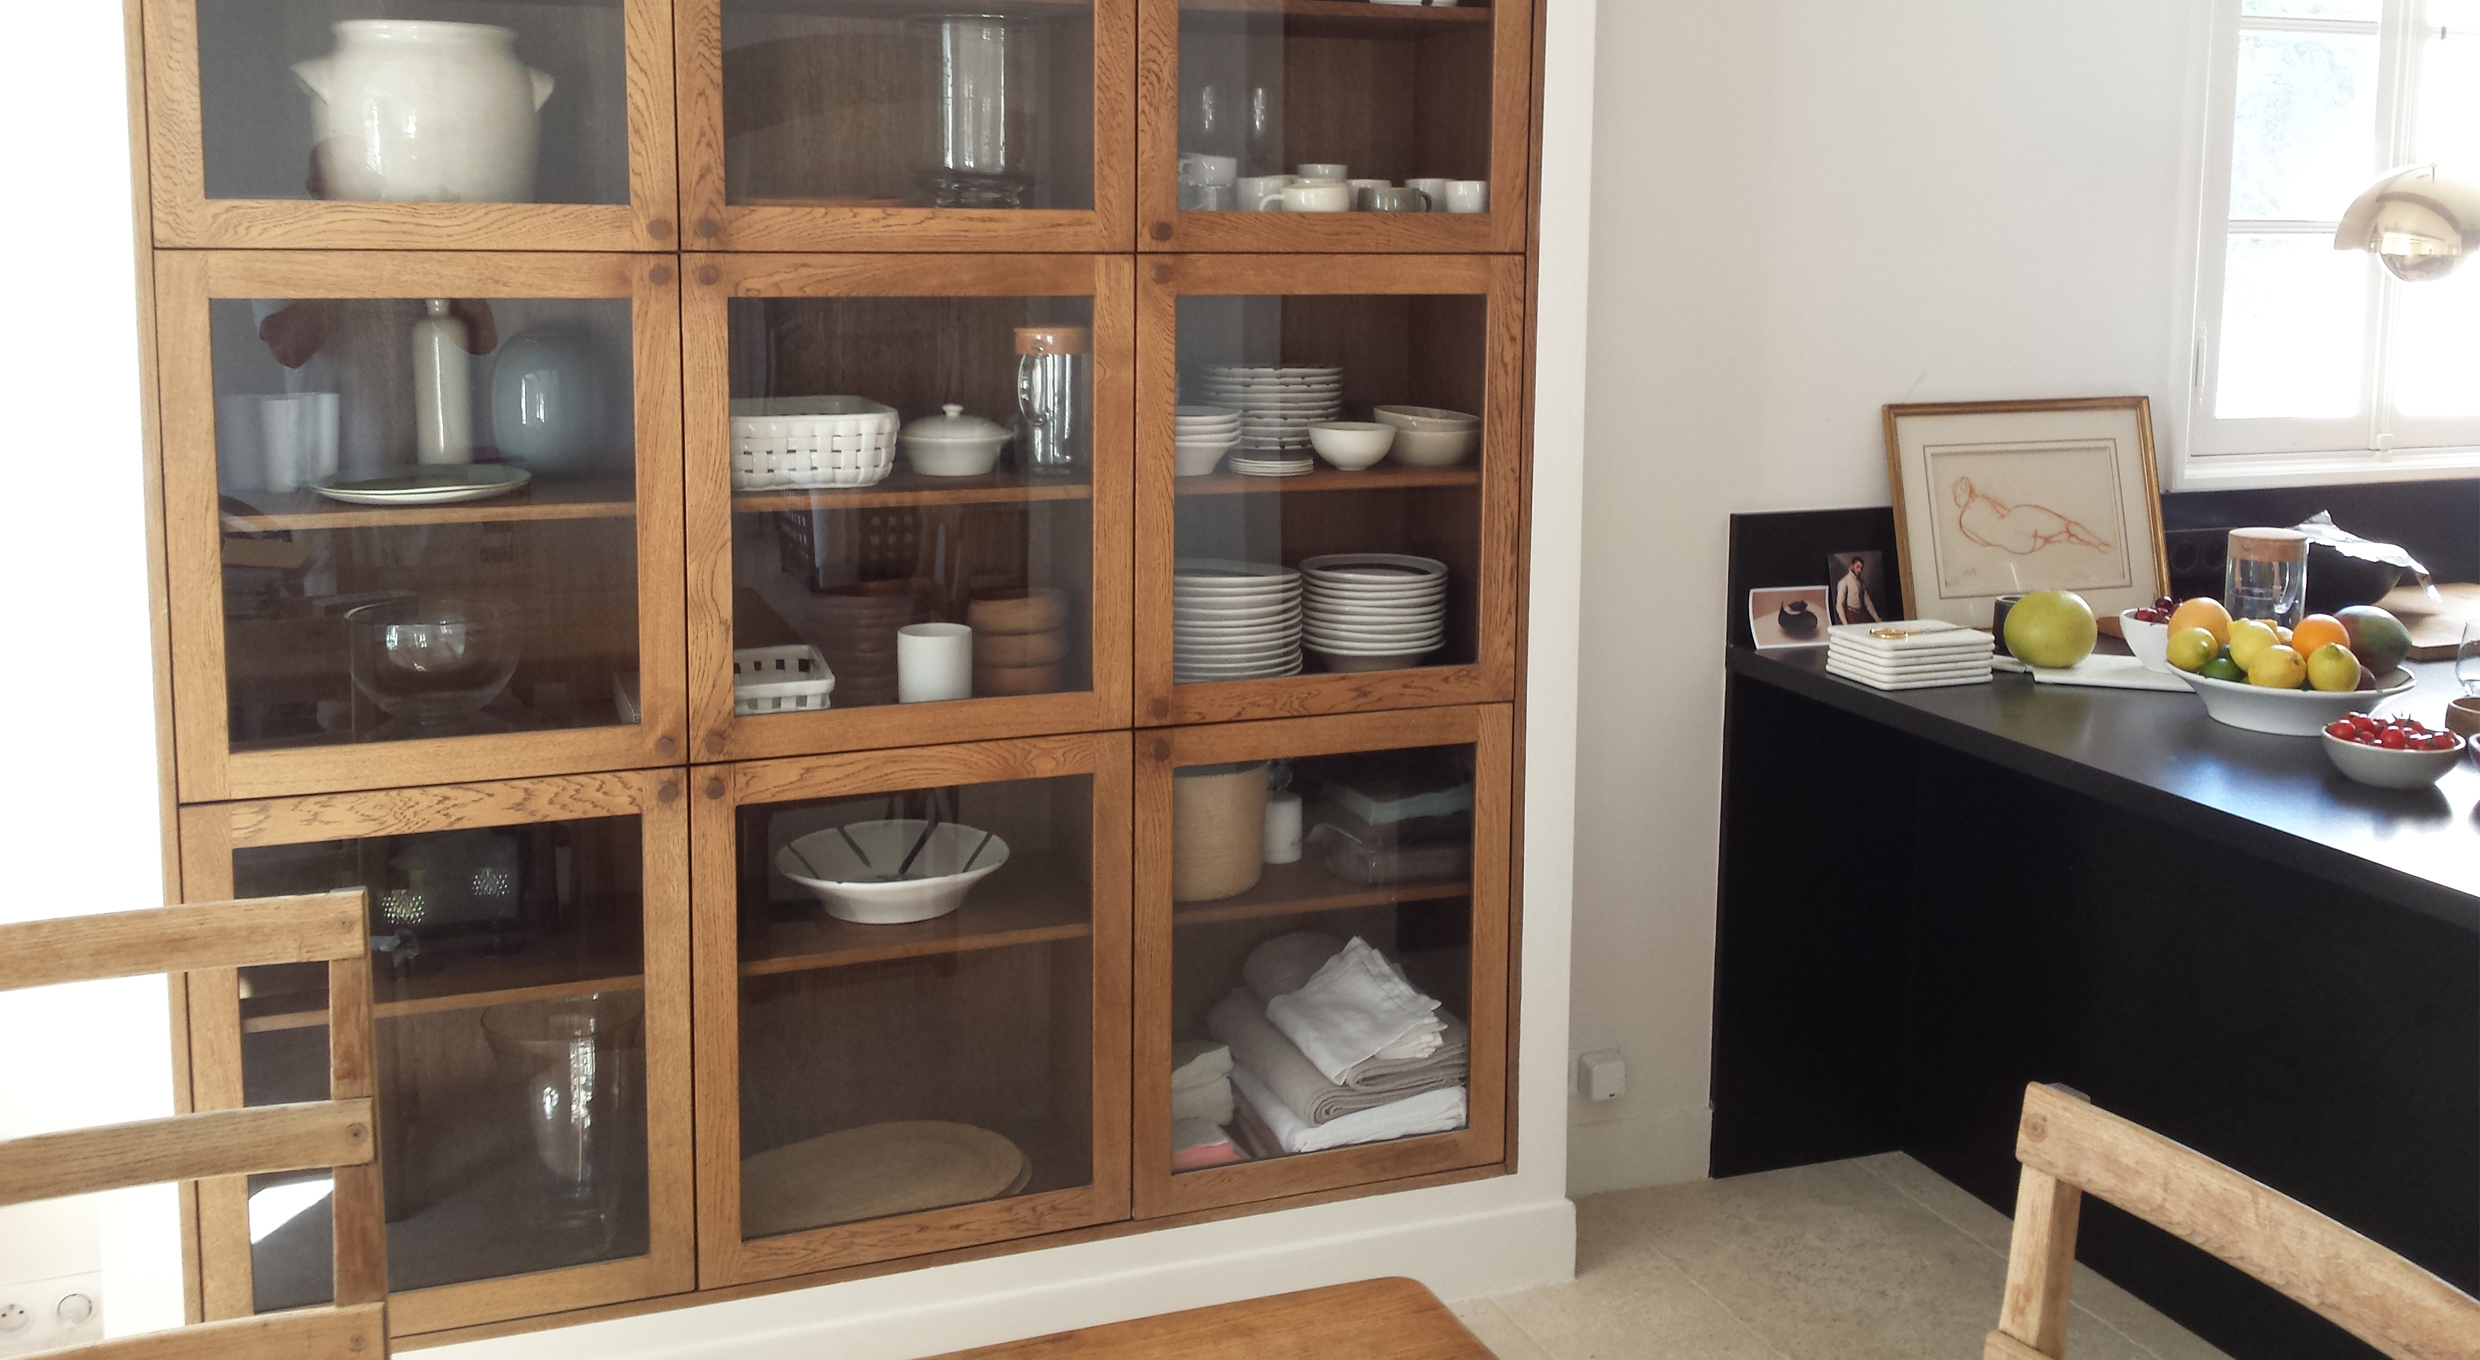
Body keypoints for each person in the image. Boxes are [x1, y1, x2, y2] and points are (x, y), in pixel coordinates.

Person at [1833, 556, 1885, 626]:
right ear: (1851, 566)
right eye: (1857, 567)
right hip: (1850, 616)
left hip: (1861, 616)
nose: (1859, 570)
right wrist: (1845, 624)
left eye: (1861, 568)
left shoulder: (1861, 583)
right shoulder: (1844, 582)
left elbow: (1868, 603)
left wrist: (1877, 619)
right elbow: (1839, 605)